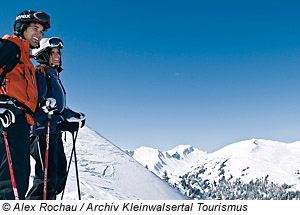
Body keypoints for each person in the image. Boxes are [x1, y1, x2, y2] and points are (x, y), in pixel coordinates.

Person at [26, 37, 85, 200]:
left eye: (58, 52)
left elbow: (56, 106)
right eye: (52, 53)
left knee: (59, 177)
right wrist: (44, 107)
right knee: (46, 180)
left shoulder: (53, 75)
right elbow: (37, 103)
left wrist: (73, 116)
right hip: (41, 133)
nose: (57, 56)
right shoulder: (40, 75)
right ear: (43, 55)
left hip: (54, 133)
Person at [0, 10, 51, 200]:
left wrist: (44, 108)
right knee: (9, 185)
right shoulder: (9, 47)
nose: (39, 34)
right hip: (6, 125)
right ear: (22, 29)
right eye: (35, 29)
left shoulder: (25, 59)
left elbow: (23, 98)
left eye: (42, 31)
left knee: (19, 181)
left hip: (20, 125)